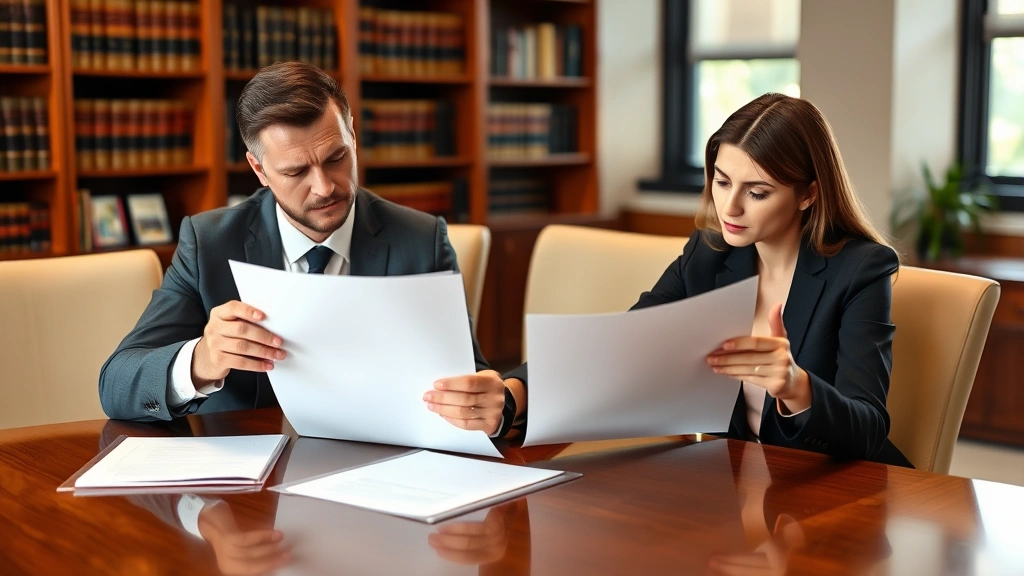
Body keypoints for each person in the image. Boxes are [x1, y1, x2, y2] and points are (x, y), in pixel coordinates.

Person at [98, 62, 526, 439]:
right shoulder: (209, 242)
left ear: (352, 135)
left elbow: (473, 379)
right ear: (259, 170)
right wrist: (201, 360)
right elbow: (117, 383)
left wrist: (489, 406)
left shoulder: (421, 238)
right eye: (296, 171)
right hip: (253, 496)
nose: (325, 187)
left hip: (386, 475)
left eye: (336, 157)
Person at [508, 92, 911, 467]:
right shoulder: (710, 254)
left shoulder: (862, 269)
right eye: (721, 182)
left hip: (838, 492)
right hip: (737, 485)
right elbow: (621, 345)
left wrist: (795, 387)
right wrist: (515, 391)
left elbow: (868, 429)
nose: (729, 207)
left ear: (807, 195)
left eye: (757, 192)